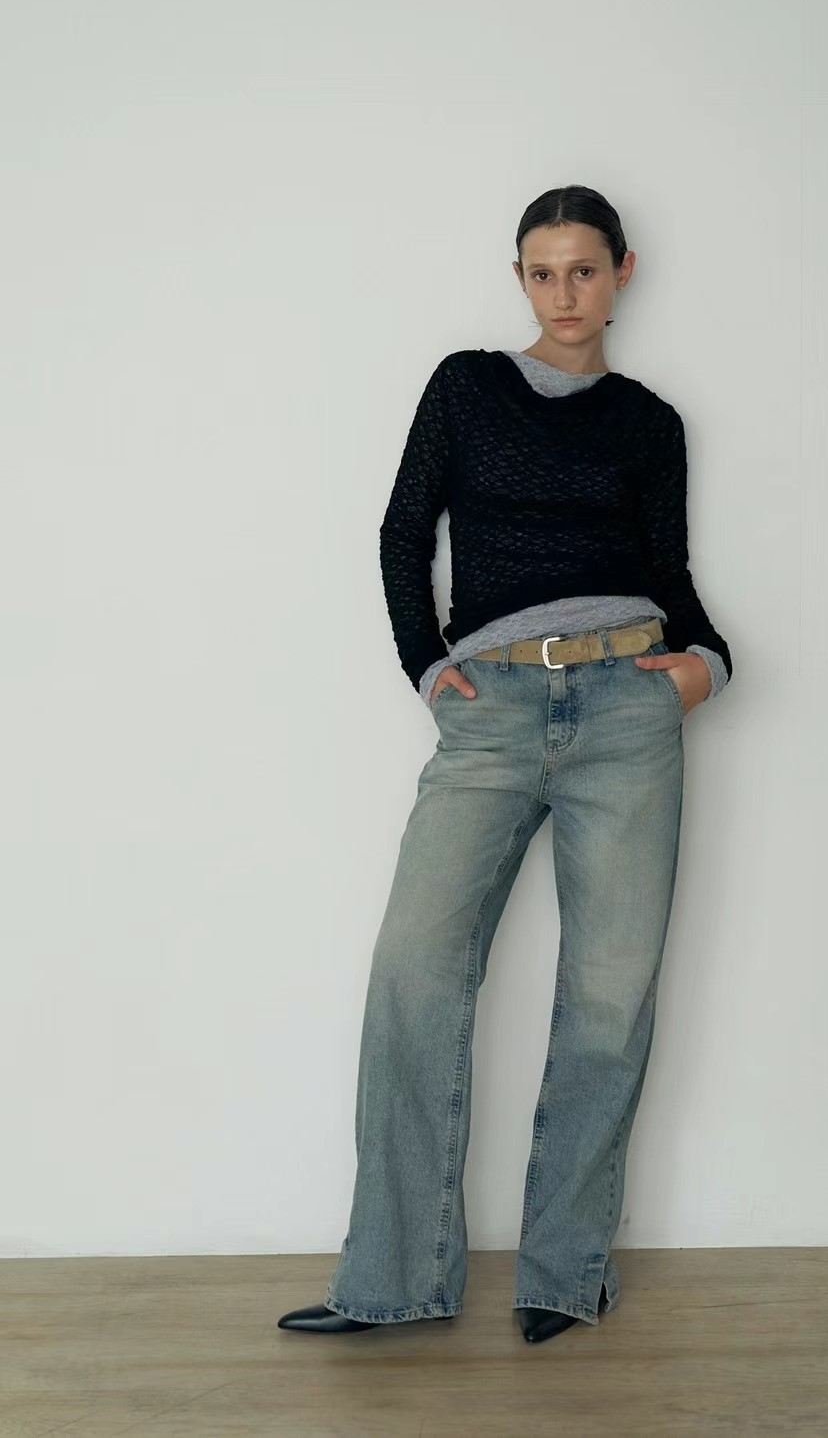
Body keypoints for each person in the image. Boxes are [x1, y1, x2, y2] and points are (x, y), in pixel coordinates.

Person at [278, 184, 733, 1345]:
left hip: (629, 705)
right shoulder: (467, 386)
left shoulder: (649, 422)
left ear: (622, 272)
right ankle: (393, 1278)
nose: (562, 294)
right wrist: (428, 669)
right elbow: (402, 532)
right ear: (520, 278)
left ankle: (563, 1277)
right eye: (541, 272)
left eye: (584, 270)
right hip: (492, 706)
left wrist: (707, 663)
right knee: (415, 970)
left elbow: (669, 575)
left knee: (609, 995)